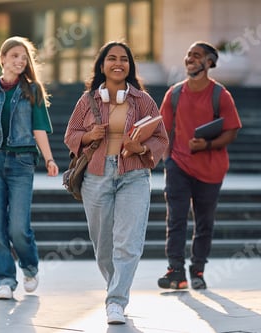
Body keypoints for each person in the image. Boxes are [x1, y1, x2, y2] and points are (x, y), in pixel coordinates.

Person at [64, 41, 168, 325]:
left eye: (124, 59)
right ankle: (115, 288)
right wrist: (88, 136)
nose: (118, 63)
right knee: (104, 245)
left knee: (129, 242)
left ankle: (116, 301)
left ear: (130, 66)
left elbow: (161, 138)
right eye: (111, 58)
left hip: (134, 175)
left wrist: (142, 150)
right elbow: (70, 134)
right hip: (96, 175)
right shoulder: (87, 101)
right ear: (102, 65)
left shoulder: (143, 100)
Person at [0, 36, 59, 300]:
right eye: (14, 56)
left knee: (18, 227)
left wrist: (49, 159)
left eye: (24, 58)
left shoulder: (32, 90)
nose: (20, 61)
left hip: (22, 163)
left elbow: (39, 128)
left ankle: (30, 267)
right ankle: (5, 280)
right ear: (2, 59)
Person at [157, 41, 242, 290]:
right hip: (179, 166)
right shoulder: (173, 94)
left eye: (197, 55)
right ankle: (176, 272)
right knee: (176, 219)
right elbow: (162, 130)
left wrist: (205, 145)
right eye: (188, 54)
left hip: (211, 169)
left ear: (209, 63)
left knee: (204, 222)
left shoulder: (220, 95)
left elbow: (231, 131)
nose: (190, 58)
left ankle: (198, 270)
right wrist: (168, 160)